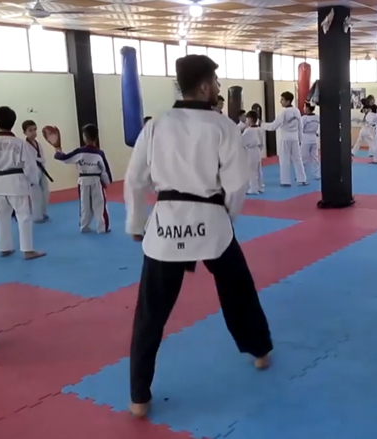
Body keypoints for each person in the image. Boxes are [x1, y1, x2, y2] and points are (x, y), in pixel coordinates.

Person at [124, 54, 273, 418]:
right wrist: (227, 218)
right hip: (212, 224)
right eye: (217, 83)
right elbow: (237, 185)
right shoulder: (222, 126)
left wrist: (135, 224)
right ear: (205, 86)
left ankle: (138, 398)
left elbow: (134, 180)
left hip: (165, 225)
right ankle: (259, 353)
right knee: (239, 291)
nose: (219, 89)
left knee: (149, 314)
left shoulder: (157, 125)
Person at [0, 107, 46, 260]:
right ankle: (28, 250)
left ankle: (5, 248)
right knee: (23, 216)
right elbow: (30, 166)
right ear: (13, 122)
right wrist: (32, 182)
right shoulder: (20, 144)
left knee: (2, 216)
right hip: (16, 181)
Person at [53, 124, 112, 234]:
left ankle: (84, 226)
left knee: (84, 205)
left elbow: (65, 158)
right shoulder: (99, 153)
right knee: (100, 205)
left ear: (84, 137)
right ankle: (103, 228)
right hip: (96, 181)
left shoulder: (79, 152)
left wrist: (58, 151)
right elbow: (104, 170)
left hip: (83, 181)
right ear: (96, 137)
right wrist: (107, 182)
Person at [262, 91, 307, 186]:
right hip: (294, 138)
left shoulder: (284, 112)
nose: (280, 101)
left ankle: (285, 181)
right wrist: (300, 139)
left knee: (284, 159)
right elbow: (300, 126)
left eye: (282, 99)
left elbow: (274, 126)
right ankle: (302, 179)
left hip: (285, 138)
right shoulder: (297, 111)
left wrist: (262, 124)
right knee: (298, 159)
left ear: (288, 101)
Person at [22, 120, 52, 223]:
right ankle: (37, 216)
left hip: (41, 170)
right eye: (30, 130)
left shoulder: (37, 144)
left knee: (45, 192)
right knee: (35, 195)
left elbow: (41, 158)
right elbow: (29, 160)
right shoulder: (24, 146)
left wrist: (41, 161)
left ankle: (43, 212)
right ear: (24, 132)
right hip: (31, 172)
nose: (33, 132)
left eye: (35, 129)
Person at [242, 110, 266, 194]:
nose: (246, 121)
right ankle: (260, 187)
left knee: (251, 170)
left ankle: (253, 188)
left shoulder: (248, 130)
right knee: (258, 170)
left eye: (247, 119)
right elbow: (262, 142)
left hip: (250, 151)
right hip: (257, 150)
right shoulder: (260, 129)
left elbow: (242, 142)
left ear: (250, 119)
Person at [300, 104, 320, 180]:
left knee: (303, 157)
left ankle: (302, 175)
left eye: (305, 107)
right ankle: (317, 174)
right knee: (315, 157)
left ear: (308, 108)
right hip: (314, 138)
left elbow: (301, 128)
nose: (304, 108)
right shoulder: (317, 117)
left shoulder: (304, 118)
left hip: (305, 138)